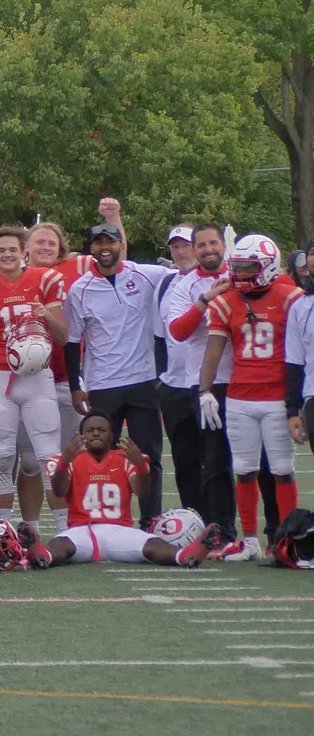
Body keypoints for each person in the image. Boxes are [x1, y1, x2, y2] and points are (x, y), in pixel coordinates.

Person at [196, 234, 302, 560]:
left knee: (282, 469)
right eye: (237, 266)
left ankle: (289, 539)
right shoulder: (226, 300)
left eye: (247, 267)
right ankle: (251, 540)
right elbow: (213, 350)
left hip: (276, 397)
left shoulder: (290, 297)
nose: (240, 273)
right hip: (241, 397)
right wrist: (205, 391)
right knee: (244, 469)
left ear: (268, 266)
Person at [62, 222, 173, 525]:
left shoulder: (147, 275)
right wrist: (76, 386)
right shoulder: (80, 289)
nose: (105, 247)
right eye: (98, 243)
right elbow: (72, 342)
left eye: (110, 241)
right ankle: (106, 517)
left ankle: (151, 519)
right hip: (102, 383)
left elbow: (185, 274)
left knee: (148, 454)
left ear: (121, 244)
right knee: (102, 453)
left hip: (142, 379)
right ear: (91, 249)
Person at [0, 225, 67, 522]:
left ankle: (60, 530)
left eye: (13, 249)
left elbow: (62, 336)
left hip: (38, 376)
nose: (8, 254)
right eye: (1, 250)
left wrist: (48, 315)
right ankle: (4, 529)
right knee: (2, 456)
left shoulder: (44, 279)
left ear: (24, 252)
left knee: (49, 456)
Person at [48, 412, 212, 568]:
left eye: (102, 430)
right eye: (90, 430)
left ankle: (185, 556)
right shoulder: (70, 458)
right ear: (81, 436)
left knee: (152, 543)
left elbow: (142, 491)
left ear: (112, 436)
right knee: (60, 544)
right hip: (82, 531)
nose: (96, 433)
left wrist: (140, 466)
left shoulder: (124, 458)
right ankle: (40, 556)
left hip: (119, 530)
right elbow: (59, 491)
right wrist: (63, 463)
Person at [162, 224, 235, 535]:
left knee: (245, 461)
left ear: (223, 245)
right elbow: (178, 331)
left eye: (213, 243)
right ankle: (213, 529)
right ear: (194, 249)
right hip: (204, 382)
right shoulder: (186, 285)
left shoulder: (241, 274)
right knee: (209, 458)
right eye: (201, 245)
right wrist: (205, 299)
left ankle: (246, 530)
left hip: (242, 378)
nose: (208, 249)